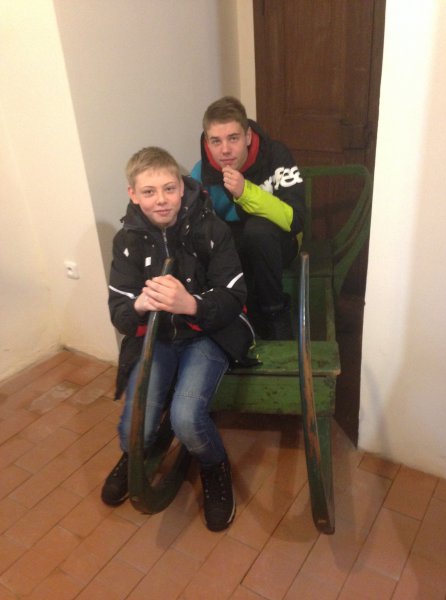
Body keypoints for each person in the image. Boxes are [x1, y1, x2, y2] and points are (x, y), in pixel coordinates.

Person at [101, 146, 254, 532]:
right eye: (149, 192)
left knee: (186, 418)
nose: (161, 200)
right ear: (133, 194)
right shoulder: (126, 241)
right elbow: (120, 312)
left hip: (207, 335)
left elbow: (234, 296)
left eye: (169, 189)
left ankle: (214, 465)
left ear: (182, 188)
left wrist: (191, 304)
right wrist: (139, 304)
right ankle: (136, 452)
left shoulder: (212, 229)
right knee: (132, 430)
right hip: (158, 339)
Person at [191, 96, 306, 340]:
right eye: (216, 141)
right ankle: (236, 318)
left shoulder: (275, 155)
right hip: (234, 249)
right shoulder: (201, 173)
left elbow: (295, 219)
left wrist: (246, 192)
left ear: (248, 137)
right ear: (207, 142)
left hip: (280, 241)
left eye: (233, 138)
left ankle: (275, 313)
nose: (225, 149)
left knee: (257, 231)